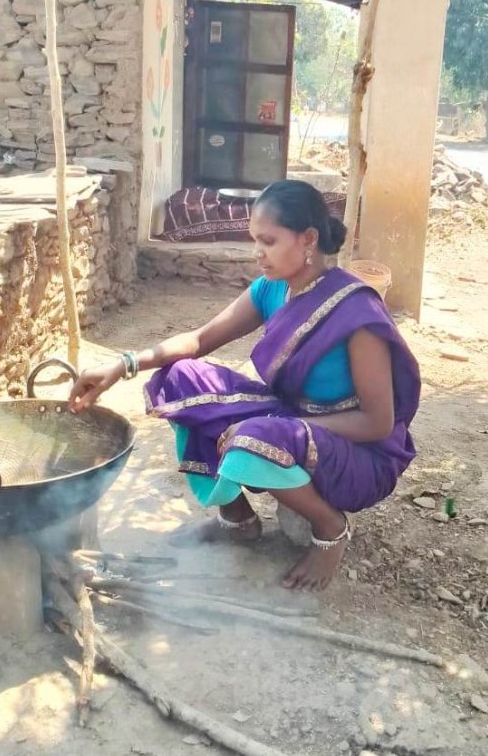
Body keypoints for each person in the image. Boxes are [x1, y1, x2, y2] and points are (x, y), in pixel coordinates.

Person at [69, 180, 420, 590]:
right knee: (178, 378)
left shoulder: (356, 311)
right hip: (293, 420)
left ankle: (330, 529)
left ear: (308, 239)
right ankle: (238, 519)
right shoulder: (273, 289)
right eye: (254, 240)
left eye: (268, 241)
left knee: (253, 435)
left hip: (358, 453)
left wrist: (287, 429)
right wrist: (124, 364)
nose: (257, 253)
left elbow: (378, 423)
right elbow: (199, 341)